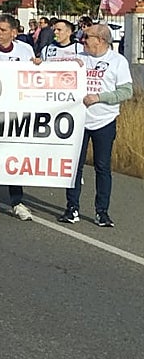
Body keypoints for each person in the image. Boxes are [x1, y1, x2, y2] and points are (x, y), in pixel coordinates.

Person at [59, 23, 133, 227]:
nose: (83, 40)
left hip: (105, 120)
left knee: (102, 167)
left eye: (87, 37)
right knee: (75, 166)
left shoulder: (118, 61)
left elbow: (126, 92)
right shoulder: (80, 58)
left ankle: (102, 211)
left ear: (100, 40)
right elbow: (53, 70)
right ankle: (71, 208)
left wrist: (99, 97)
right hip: (78, 121)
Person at [0, 15, 40, 221]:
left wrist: (38, 65)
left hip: (17, 113)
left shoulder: (25, 50)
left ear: (14, 32)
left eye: (3, 30)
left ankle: (17, 202)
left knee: (14, 158)